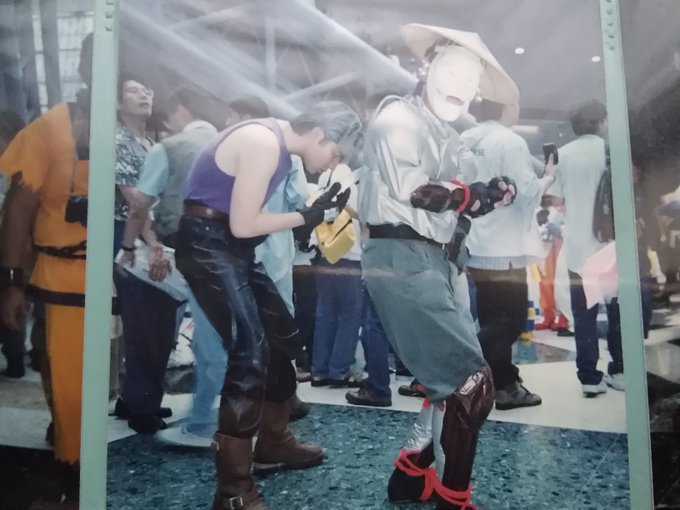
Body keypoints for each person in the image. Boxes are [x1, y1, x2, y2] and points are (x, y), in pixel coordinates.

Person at [360, 24, 518, 509]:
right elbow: (421, 192)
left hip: (436, 259)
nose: (460, 85)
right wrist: (473, 194)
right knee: (470, 385)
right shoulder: (398, 118)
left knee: (449, 382)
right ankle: (454, 498)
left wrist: (489, 193)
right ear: (428, 68)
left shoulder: (446, 133)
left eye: (471, 79)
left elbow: (460, 200)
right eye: (452, 70)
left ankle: (410, 474)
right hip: (401, 257)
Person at [175, 101, 362, 509]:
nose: (334, 162)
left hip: (226, 246)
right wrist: (306, 216)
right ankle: (232, 491)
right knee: (250, 351)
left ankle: (274, 442)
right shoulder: (263, 141)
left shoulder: (274, 142)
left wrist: (311, 213)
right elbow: (245, 223)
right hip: (210, 246)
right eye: (336, 152)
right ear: (319, 134)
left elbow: (241, 224)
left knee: (281, 337)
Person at [0, 86, 91, 507]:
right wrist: (12, 282)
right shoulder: (48, 130)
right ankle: (72, 479)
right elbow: (18, 209)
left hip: (115, 277)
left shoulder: (130, 130)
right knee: (68, 383)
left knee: (98, 385)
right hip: (62, 278)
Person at [116, 88, 222, 447]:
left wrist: (131, 246)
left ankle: (139, 402)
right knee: (159, 331)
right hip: (188, 253)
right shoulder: (223, 145)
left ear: (180, 111)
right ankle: (141, 401)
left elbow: (141, 205)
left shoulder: (165, 146)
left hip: (160, 250)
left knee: (148, 329)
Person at [461, 99, 556, 410]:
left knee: (491, 316)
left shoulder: (465, 139)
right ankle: (460, 367)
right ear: (504, 107)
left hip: (476, 243)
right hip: (506, 247)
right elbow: (525, 194)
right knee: (512, 320)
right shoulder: (509, 141)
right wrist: (548, 178)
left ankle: (503, 385)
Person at [113, 75, 184, 434]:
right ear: (117, 102)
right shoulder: (118, 141)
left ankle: (136, 396)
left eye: (147, 89)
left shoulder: (152, 143)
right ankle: (142, 406)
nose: (144, 94)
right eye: (133, 90)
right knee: (146, 322)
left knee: (159, 319)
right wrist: (153, 243)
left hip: (152, 236)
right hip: (133, 237)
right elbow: (135, 201)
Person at [549, 100, 624, 397]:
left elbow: (557, 199)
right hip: (611, 246)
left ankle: (589, 378)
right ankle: (620, 370)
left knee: (584, 314)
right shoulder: (611, 151)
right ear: (601, 121)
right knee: (618, 312)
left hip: (578, 247)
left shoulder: (562, 154)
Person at [310, 162, 364, 388]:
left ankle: (319, 370)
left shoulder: (324, 178)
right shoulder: (349, 177)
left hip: (324, 252)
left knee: (326, 313)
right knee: (350, 313)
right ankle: (339, 369)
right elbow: (352, 210)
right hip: (348, 254)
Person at [0, 109, 27, 379]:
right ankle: (15, 354)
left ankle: (16, 355)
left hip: (14, 248)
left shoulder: (22, 171)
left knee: (13, 297)